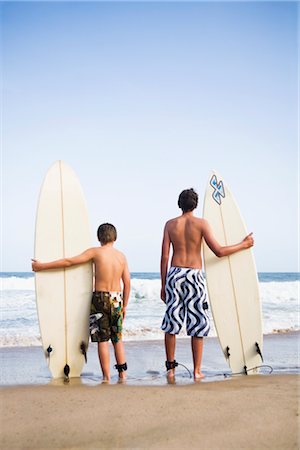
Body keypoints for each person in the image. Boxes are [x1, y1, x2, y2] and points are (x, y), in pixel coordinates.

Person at [160, 188, 254, 381]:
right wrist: (244, 244)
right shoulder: (202, 224)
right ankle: (196, 371)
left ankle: (171, 369)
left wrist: (163, 284)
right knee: (198, 323)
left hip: (175, 275)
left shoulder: (170, 225)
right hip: (194, 276)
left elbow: (164, 257)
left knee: (171, 323)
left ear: (179, 204)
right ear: (195, 205)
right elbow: (218, 251)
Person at [32, 223, 130, 383]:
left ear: (99, 238)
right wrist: (124, 305)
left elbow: (69, 262)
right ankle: (123, 374)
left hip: (100, 299)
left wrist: (42, 266)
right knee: (117, 338)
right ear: (115, 237)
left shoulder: (95, 252)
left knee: (102, 340)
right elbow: (127, 282)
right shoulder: (121, 257)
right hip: (117, 299)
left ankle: (106, 377)